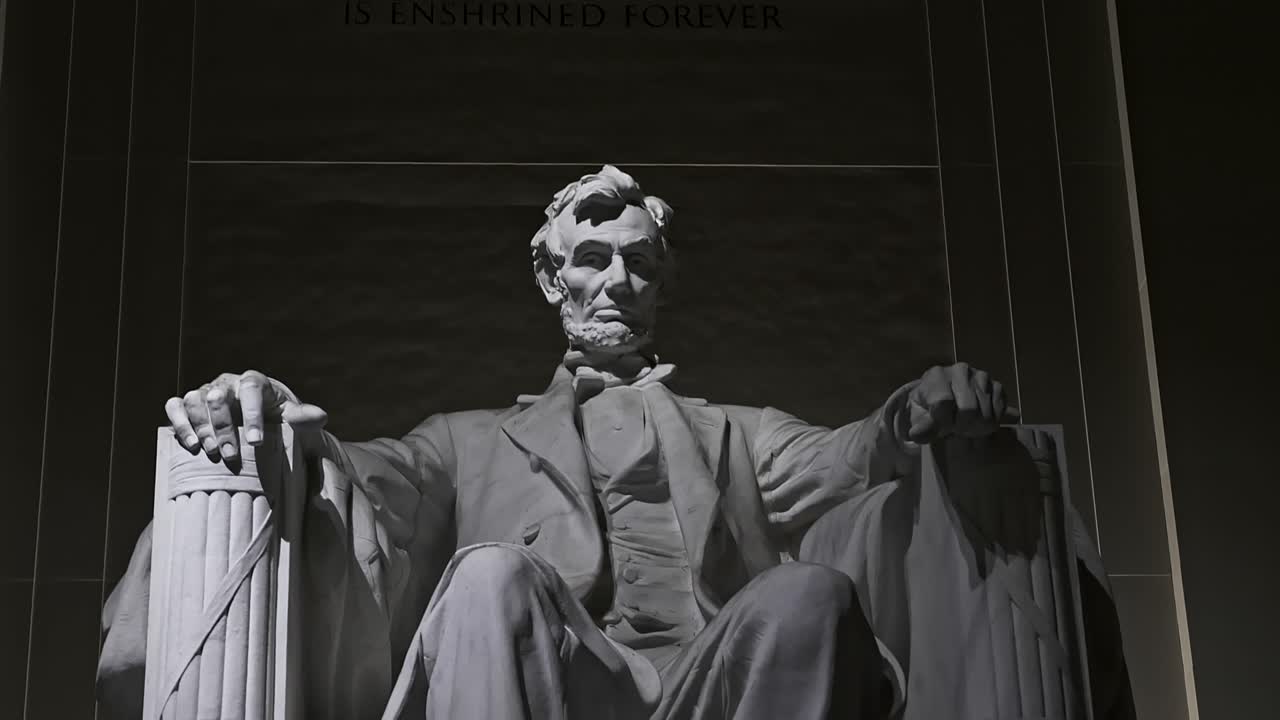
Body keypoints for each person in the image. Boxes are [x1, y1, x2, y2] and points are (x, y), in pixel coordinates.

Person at [98, 165, 1132, 719]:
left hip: (716, 681)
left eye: (639, 264)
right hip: (559, 681)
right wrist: (267, 408)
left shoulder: (737, 431)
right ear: (552, 280)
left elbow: (851, 460)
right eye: (592, 260)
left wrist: (918, 406)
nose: (617, 283)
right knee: (491, 574)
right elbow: (361, 476)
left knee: (809, 595)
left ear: (660, 285)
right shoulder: (464, 441)